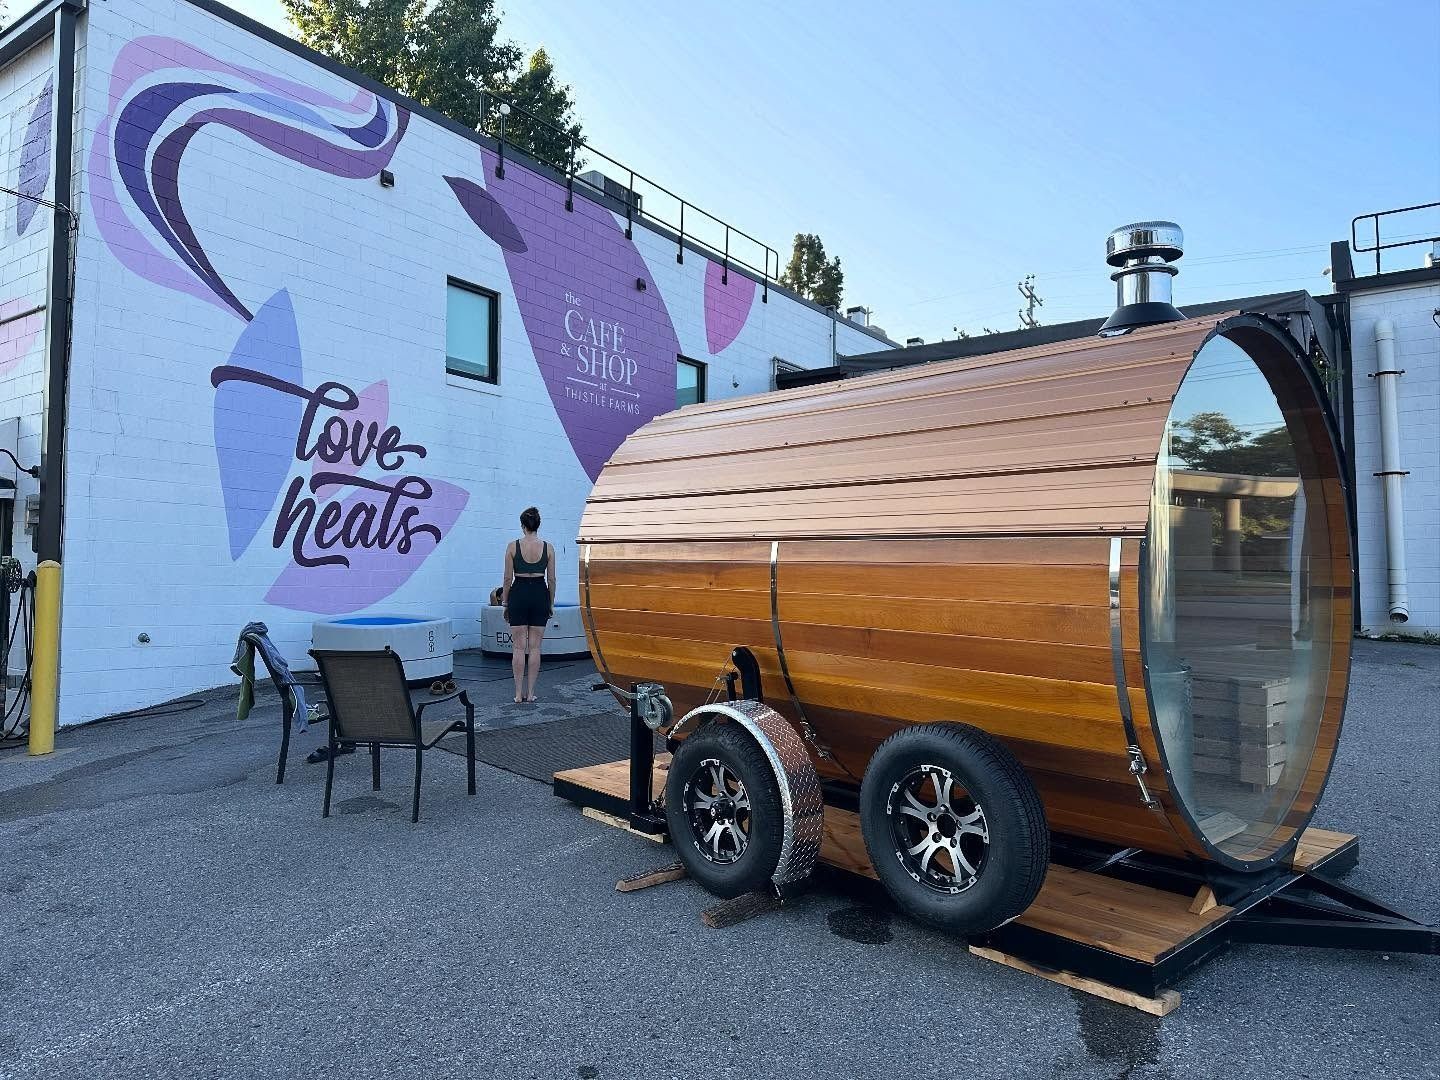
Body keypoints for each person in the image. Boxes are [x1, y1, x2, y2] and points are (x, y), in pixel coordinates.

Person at [501, 506, 556, 703]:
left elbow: (507, 579)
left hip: (519, 593)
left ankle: (517, 694)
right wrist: (550, 603)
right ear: (538, 526)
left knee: (518, 647)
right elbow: (552, 580)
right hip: (540, 593)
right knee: (535, 648)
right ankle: (531, 693)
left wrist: (505, 602)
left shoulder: (512, 546)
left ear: (523, 526)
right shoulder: (548, 548)